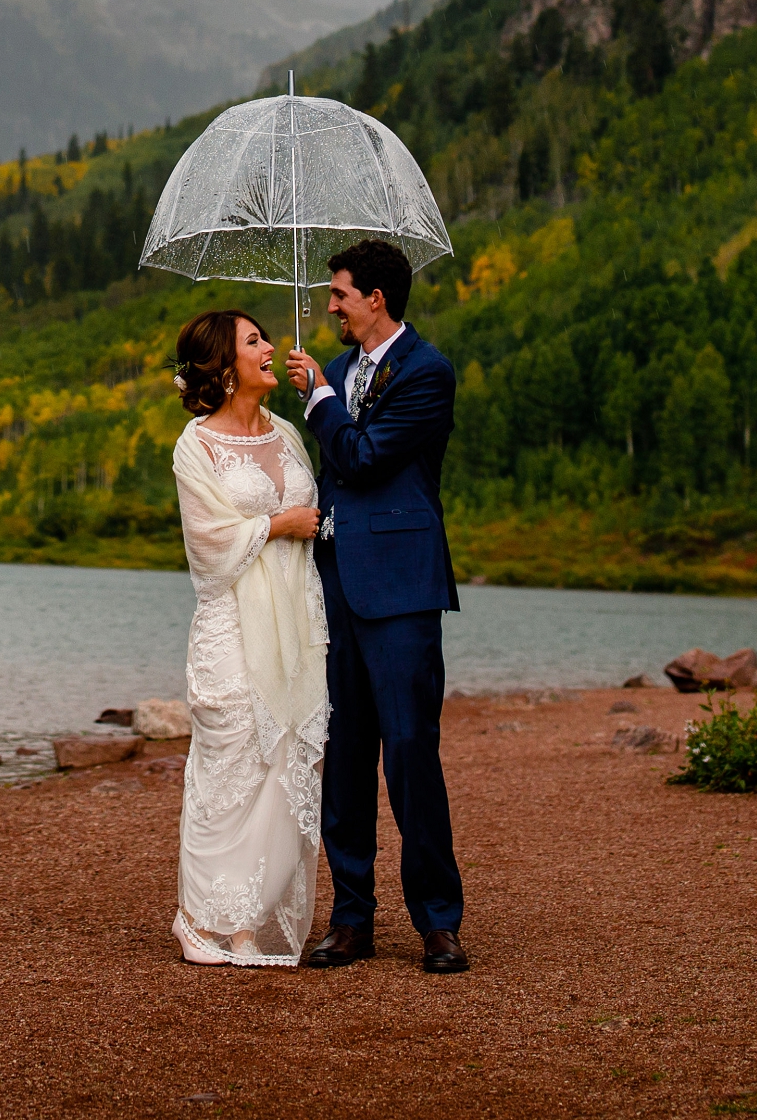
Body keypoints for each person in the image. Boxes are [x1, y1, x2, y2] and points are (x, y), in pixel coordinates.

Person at [284, 237, 468, 973]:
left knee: (413, 754)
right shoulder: (332, 370)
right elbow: (331, 476)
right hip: (336, 582)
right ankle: (351, 918)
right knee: (347, 757)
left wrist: (320, 399)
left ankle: (438, 921)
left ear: (375, 299)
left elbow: (361, 456)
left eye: (338, 293)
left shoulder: (428, 371)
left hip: (402, 586)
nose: (329, 304)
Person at [165, 307, 328, 964]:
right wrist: (276, 526)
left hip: (295, 621)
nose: (269, 347)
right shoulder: (196, 443)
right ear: (225, 366)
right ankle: (197, 917)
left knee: (285, 764)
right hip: (231, 625)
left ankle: (244, 923)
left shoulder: (289, 432)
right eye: (254, 340)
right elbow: (207, 544)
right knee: (229, 766)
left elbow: (314, 510)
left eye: (265, 336)